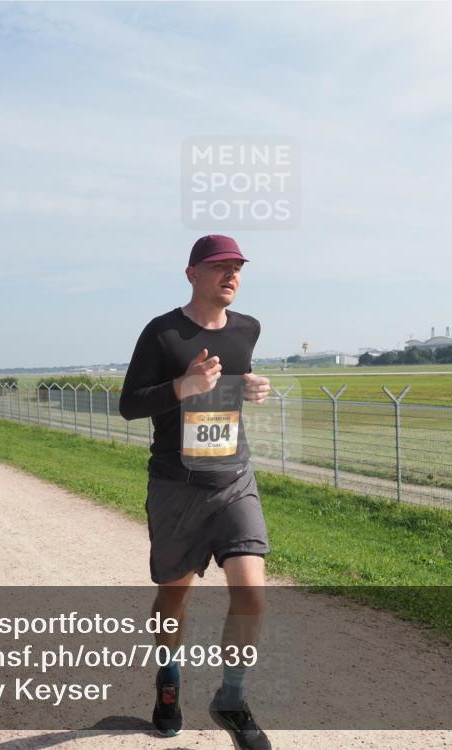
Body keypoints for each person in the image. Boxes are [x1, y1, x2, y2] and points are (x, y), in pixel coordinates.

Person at [119, 235, 272, 750]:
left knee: (251, 592)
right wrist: (180, 388)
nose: (232, 275)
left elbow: (232, 388)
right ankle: (168, 678)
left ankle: (231, 696)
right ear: (191, 274)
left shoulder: (248, 329)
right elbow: (129, 405)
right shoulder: (163, 333)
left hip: (233, 479)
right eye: (220, 267)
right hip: (176, 486)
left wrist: (251, 387)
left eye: (238, 268)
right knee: (172, 597)